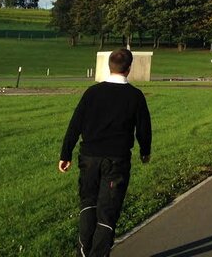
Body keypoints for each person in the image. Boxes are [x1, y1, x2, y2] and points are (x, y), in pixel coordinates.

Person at [59, 48, 152, 257]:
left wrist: (65, 154)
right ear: (129, 68)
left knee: (88, 205)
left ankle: (83, 252)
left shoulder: (92, 93)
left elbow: (75, 124)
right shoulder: (135, 96)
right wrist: (145, 151)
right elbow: (144, 128)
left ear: (109, 66)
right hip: (116, 161)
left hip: (89, 158)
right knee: (107, 213)